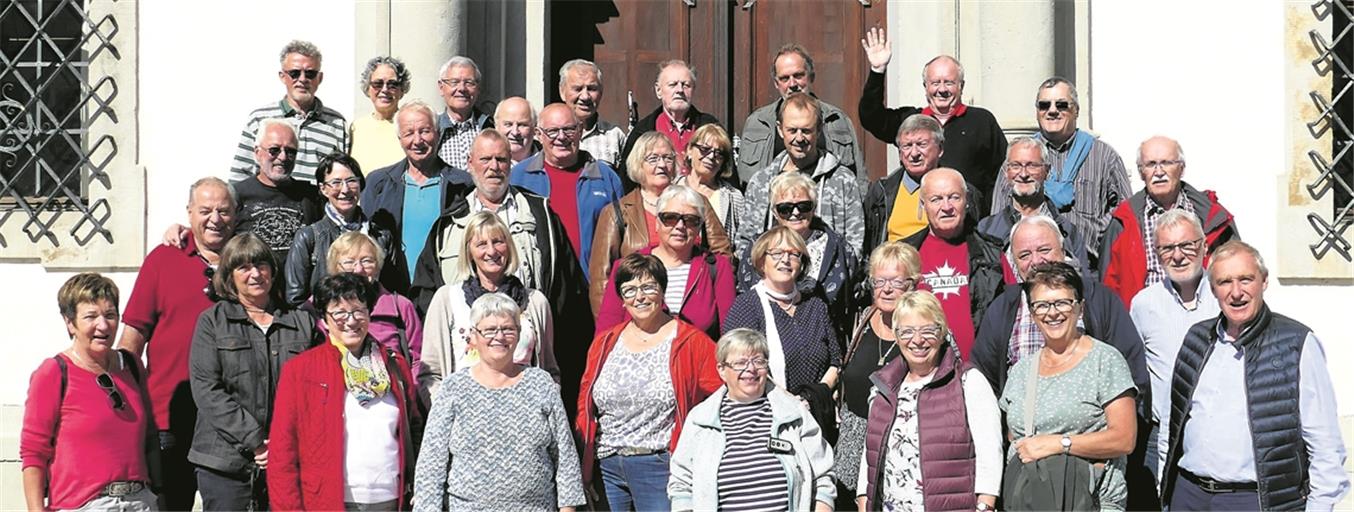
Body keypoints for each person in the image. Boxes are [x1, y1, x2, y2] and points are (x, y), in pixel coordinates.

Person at [1161, 241, 1349, 511]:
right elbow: (1173, 421)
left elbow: (1325, 444)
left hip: (1254, 500)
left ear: (1264, 281)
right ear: (1213, 289)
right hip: (1189, 495)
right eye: (1225, 282)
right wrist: (1166, 486)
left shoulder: (1297, 344)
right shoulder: (1196, 339)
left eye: (1246, 279)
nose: (1236, 292)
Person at [118, 177, 236, 510]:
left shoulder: (247, 264)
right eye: (206, 210)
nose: (215, 219)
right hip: (168, 419)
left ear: (236, 215)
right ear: (189, 213)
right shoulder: (163, 259)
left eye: (224, 211)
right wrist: (127, 404)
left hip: (227, 424)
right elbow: (132, 338)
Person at [576, 253, 722, 512]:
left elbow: (724, 393)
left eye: (648, 287)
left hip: (659, 467)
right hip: (606, 467)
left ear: (662, 290)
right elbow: (585, 405)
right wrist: (585, 470)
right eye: (629, 290)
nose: (639, 297)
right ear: (621, 300)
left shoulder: (691, 342)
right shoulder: (605, 343)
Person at [413, 293, 586, 511]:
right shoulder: (453, 388)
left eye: (508, 329)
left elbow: (564, 455)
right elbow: (431, 462)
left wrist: (568, 508)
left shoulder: (541, 383)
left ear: (519, 333)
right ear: (473, 336)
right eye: (489, 330)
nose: (499, 337)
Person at [268, 273, 422, 511]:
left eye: (359, 311)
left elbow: (413, 429)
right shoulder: (300, 370)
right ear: (324, 319)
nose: (350, 321)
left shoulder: (394, 365)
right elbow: (282, 453)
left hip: (391, 499)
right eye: (339, 313)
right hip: (328, 500)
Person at [188, 233, 317, 510]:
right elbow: (207, 390)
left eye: (261, 265)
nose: (255, 274)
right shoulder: (212, 322)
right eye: (243, 267)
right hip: (224, 464)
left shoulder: (302, 322)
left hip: (288, 460)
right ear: (229, 275)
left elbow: (315, 389)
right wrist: (257, 441)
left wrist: (283, 443)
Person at [998, 262, 1138, 511]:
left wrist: (1058, 443)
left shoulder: (1105, 360)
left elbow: (1124, 439)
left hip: (1088, 502)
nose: (1052, 313)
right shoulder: (1021, 371)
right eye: (1041, 305)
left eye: (1062, 302)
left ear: (1080, 307)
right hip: (1031, 502)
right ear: (1031, 313)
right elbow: (1013, 436)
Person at [22, 273, 159, 512]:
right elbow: (34, 452)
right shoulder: (54, 373)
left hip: (139, 502)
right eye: (91, 317)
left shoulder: (132, 366)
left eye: (110, 315)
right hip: (83, 505)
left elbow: (149, 437)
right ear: (70, 322)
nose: (103, 326)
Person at [855, 290, 1002, 511]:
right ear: (896, 336)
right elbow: (871, 452)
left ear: (942, 332)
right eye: (907, 331)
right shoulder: (883, 387)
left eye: (928, 330)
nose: (917, 340)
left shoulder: (968, 382)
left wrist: (985, 505)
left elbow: (990, 452)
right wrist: (863, 497)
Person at [668, 329, 837, 512]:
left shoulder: (792, 413)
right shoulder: (701, 420)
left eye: (758, 361)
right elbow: (681, 484)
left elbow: (823, 476)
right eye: (740, 363)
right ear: (722, 370)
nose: (751, 369)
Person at [857, 29, 1006, 215]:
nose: (942, 90)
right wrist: (877, 71)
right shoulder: (911, 121)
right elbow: (870, 117)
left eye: (949, 83)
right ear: (925, 87)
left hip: (967, 220)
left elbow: (1001, 174)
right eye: (935, 83)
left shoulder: (982, 121)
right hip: (915, 218)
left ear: (961, 86)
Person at [589, 133, 732, 318]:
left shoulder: (697, 203)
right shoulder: (616, 213)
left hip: (693, 308)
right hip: (638, 314)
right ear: (638, 164)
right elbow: (602, 279)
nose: (662, 165)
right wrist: (612, 324)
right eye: (653, 158)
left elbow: (722, 253)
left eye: (668, 158)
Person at [990, 77, 1130, 263]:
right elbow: (998, 214)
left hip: (1087, 266)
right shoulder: (1018, 157)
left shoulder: (1104, 156)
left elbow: (1125, 209)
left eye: (1062, 105)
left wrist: (1099, 232)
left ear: (1076, 111)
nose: (1052, 111)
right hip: (1030, 265)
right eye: (1044, 105)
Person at [1127, 210, 1220, 485]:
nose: (1177, 256)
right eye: (1167, 248)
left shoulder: (1224, 297)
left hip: (1217, 430)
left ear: (1203, 246)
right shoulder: (1144, 304)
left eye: (1186, 245)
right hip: (1162, 435)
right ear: (1156, 253)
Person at [420, 211, 557, 394]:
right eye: (481, 244)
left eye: (498, 242)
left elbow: (550, 371)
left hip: (523, 414)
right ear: (469, 251)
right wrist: (447, 411)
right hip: (464, 415)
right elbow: (430, 373)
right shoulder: (447, 300)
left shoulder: (535, 302)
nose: (491, 251)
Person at [1101, 136, 1239, 307]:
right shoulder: (1122, 222)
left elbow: (1236, 269)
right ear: (1141, 173)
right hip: (1145, 319)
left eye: (1166, 163)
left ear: (1181, 168)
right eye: (1151, 164)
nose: (1159, 172)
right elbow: (1107, 287)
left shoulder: (1212, 216)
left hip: (1206, 317)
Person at [723, 227, 841, 424]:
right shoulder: (746, 308)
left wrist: (813, 397)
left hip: (817, 415)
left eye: (794, 254)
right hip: (765, 419)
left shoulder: (816, 306)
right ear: (762, 262)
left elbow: (836, 361)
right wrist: (791, 403)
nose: (785, 260)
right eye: (777, 253)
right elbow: (739, 367)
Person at [832, 241, 919, 506]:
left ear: (913, 284)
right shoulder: (860, 320)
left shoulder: (926, 327)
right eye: (879, 282)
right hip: (853, 443)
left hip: (901, 445)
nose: (887, 289)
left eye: (896, 281)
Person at [595, 185, 736, 338]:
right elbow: (606, 334)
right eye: (670, 218)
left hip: (696, 358)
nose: (680, 226)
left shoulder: (717, 267)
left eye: (690, 220)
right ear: (657, 223)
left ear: (699, 227)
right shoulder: (627, 268)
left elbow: (731, 336)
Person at [362, 101, 473, 294]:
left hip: (444, 291)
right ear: (399, 138)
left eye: (425, 131)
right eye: (409, 133)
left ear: (438, 133)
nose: (417, 140)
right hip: (392, 292)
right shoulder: (378, 184)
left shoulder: (463, 185)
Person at [735, 171, 859, 341]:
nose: (795, 213)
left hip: (827, 341)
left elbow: (852, 296)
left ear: (814, 208)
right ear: (774, 212)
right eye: (785, 208)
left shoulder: (838, 246)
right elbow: (745, 294)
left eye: (803, 206)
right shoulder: (758, 246)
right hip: (769, 342)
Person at [739, 92, 865, 255]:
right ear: (780, 129)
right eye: (792, 130)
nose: (799, 138)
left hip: (829, 277)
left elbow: (855, 244)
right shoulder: (761, 183)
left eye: (806, 130)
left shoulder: (842, 180)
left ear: (819, 130)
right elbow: (746, 243)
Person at [510, 103, 626, 277]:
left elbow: (623, 236)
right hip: (540, 286)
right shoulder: (519, 177)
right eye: (552, 131)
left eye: (569, 129)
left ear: (580, 131)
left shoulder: (605, 177)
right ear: (539, 135)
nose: (561, 137)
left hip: (593, 285)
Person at [901, 168, 1005, 359]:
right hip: (922, 369)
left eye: (954, 197)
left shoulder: (993, 254)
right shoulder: (905, 254)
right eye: (936, 199)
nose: (946, 206)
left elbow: (1010, 311)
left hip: (979, 369)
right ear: (923, 205)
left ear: (966, 201)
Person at [738, 44, 865, 183]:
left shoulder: (836, 120)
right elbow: (744, 183)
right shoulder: (757, 122)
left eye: (798, 76)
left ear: (811, 77)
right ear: (776, 83)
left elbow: (859, 179)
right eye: (784, 78)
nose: (792, 84)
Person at [284, 152, 397, 306]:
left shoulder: (381, 236)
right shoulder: (309, 237)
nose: (345, 190)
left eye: (351, 181)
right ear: (323, 189)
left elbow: (393, 288)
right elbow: (295, 299)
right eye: (336, 183)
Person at [229, 40, 348, 184]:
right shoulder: (259, 119)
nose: (302, 79)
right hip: (270, 205)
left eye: (310, 73)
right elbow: (240, 176)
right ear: (282, 76)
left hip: (316, 205)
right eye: (294, 73)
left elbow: (343, 176)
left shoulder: (336, 123)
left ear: (320, 78)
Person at [976, 136, 1093, 278]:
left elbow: (1084, 284)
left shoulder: (1067, 231)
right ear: (1006, 172)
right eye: (1016, 166)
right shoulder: (986, 229)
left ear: (1047, 171)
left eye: (1032, 165)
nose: (1023, 174)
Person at [323, 231, 425, 390]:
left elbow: (419, 359)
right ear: (335, 268)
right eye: (349, 262)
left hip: (393, 398)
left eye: (367, 261)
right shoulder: (318, 308)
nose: (358, 270)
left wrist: (409, 396)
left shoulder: (401, 307)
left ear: (377, 266)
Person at [232, 118, 323, 273]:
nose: (283, 157)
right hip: (255, 290)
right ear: (257, 153)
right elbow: (214, 230)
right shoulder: (237, 195)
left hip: (300, 294)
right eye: (274, 150)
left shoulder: (311, 196)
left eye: (290, 151)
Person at [617, 59, 719, 188]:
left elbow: (727, 174)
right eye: (673, 84)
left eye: (686, 85)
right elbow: (627, 182)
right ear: (658, 91)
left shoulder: (710, 126)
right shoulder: (642, 131)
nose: (680, 90)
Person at [675, 124, 743, 247]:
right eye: (705, 149)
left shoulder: (734, 197)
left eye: (719, 153)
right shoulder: (672, 189)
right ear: (690, 150)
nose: (711, 157)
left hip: (717, 264)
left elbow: (742, 240)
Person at [349, 56, 412, 172]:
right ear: (368, 88)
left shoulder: (411, 126)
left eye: (392, 84)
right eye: (378, 84)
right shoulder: (355, 128)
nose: (385, 90)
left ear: (402, 90)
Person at [561, 59, 627, 167]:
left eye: (592, 89)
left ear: (601, 92)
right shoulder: (549, 135)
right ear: (562, 92)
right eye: (577, 89)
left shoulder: (614, 135)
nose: (585, 96)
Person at [435, 56, 495, 170]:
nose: (462, 88)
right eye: (454, 82)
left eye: (469, 82)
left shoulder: (490, 127)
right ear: (441, 87)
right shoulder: (433, 131)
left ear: (478, 88)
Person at [495, 96, 541, 165]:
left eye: (522, 125)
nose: (515, 132)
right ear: (496, 127)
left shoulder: (549, 161)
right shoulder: (485, 165)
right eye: (508, 124)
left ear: (534, 128)